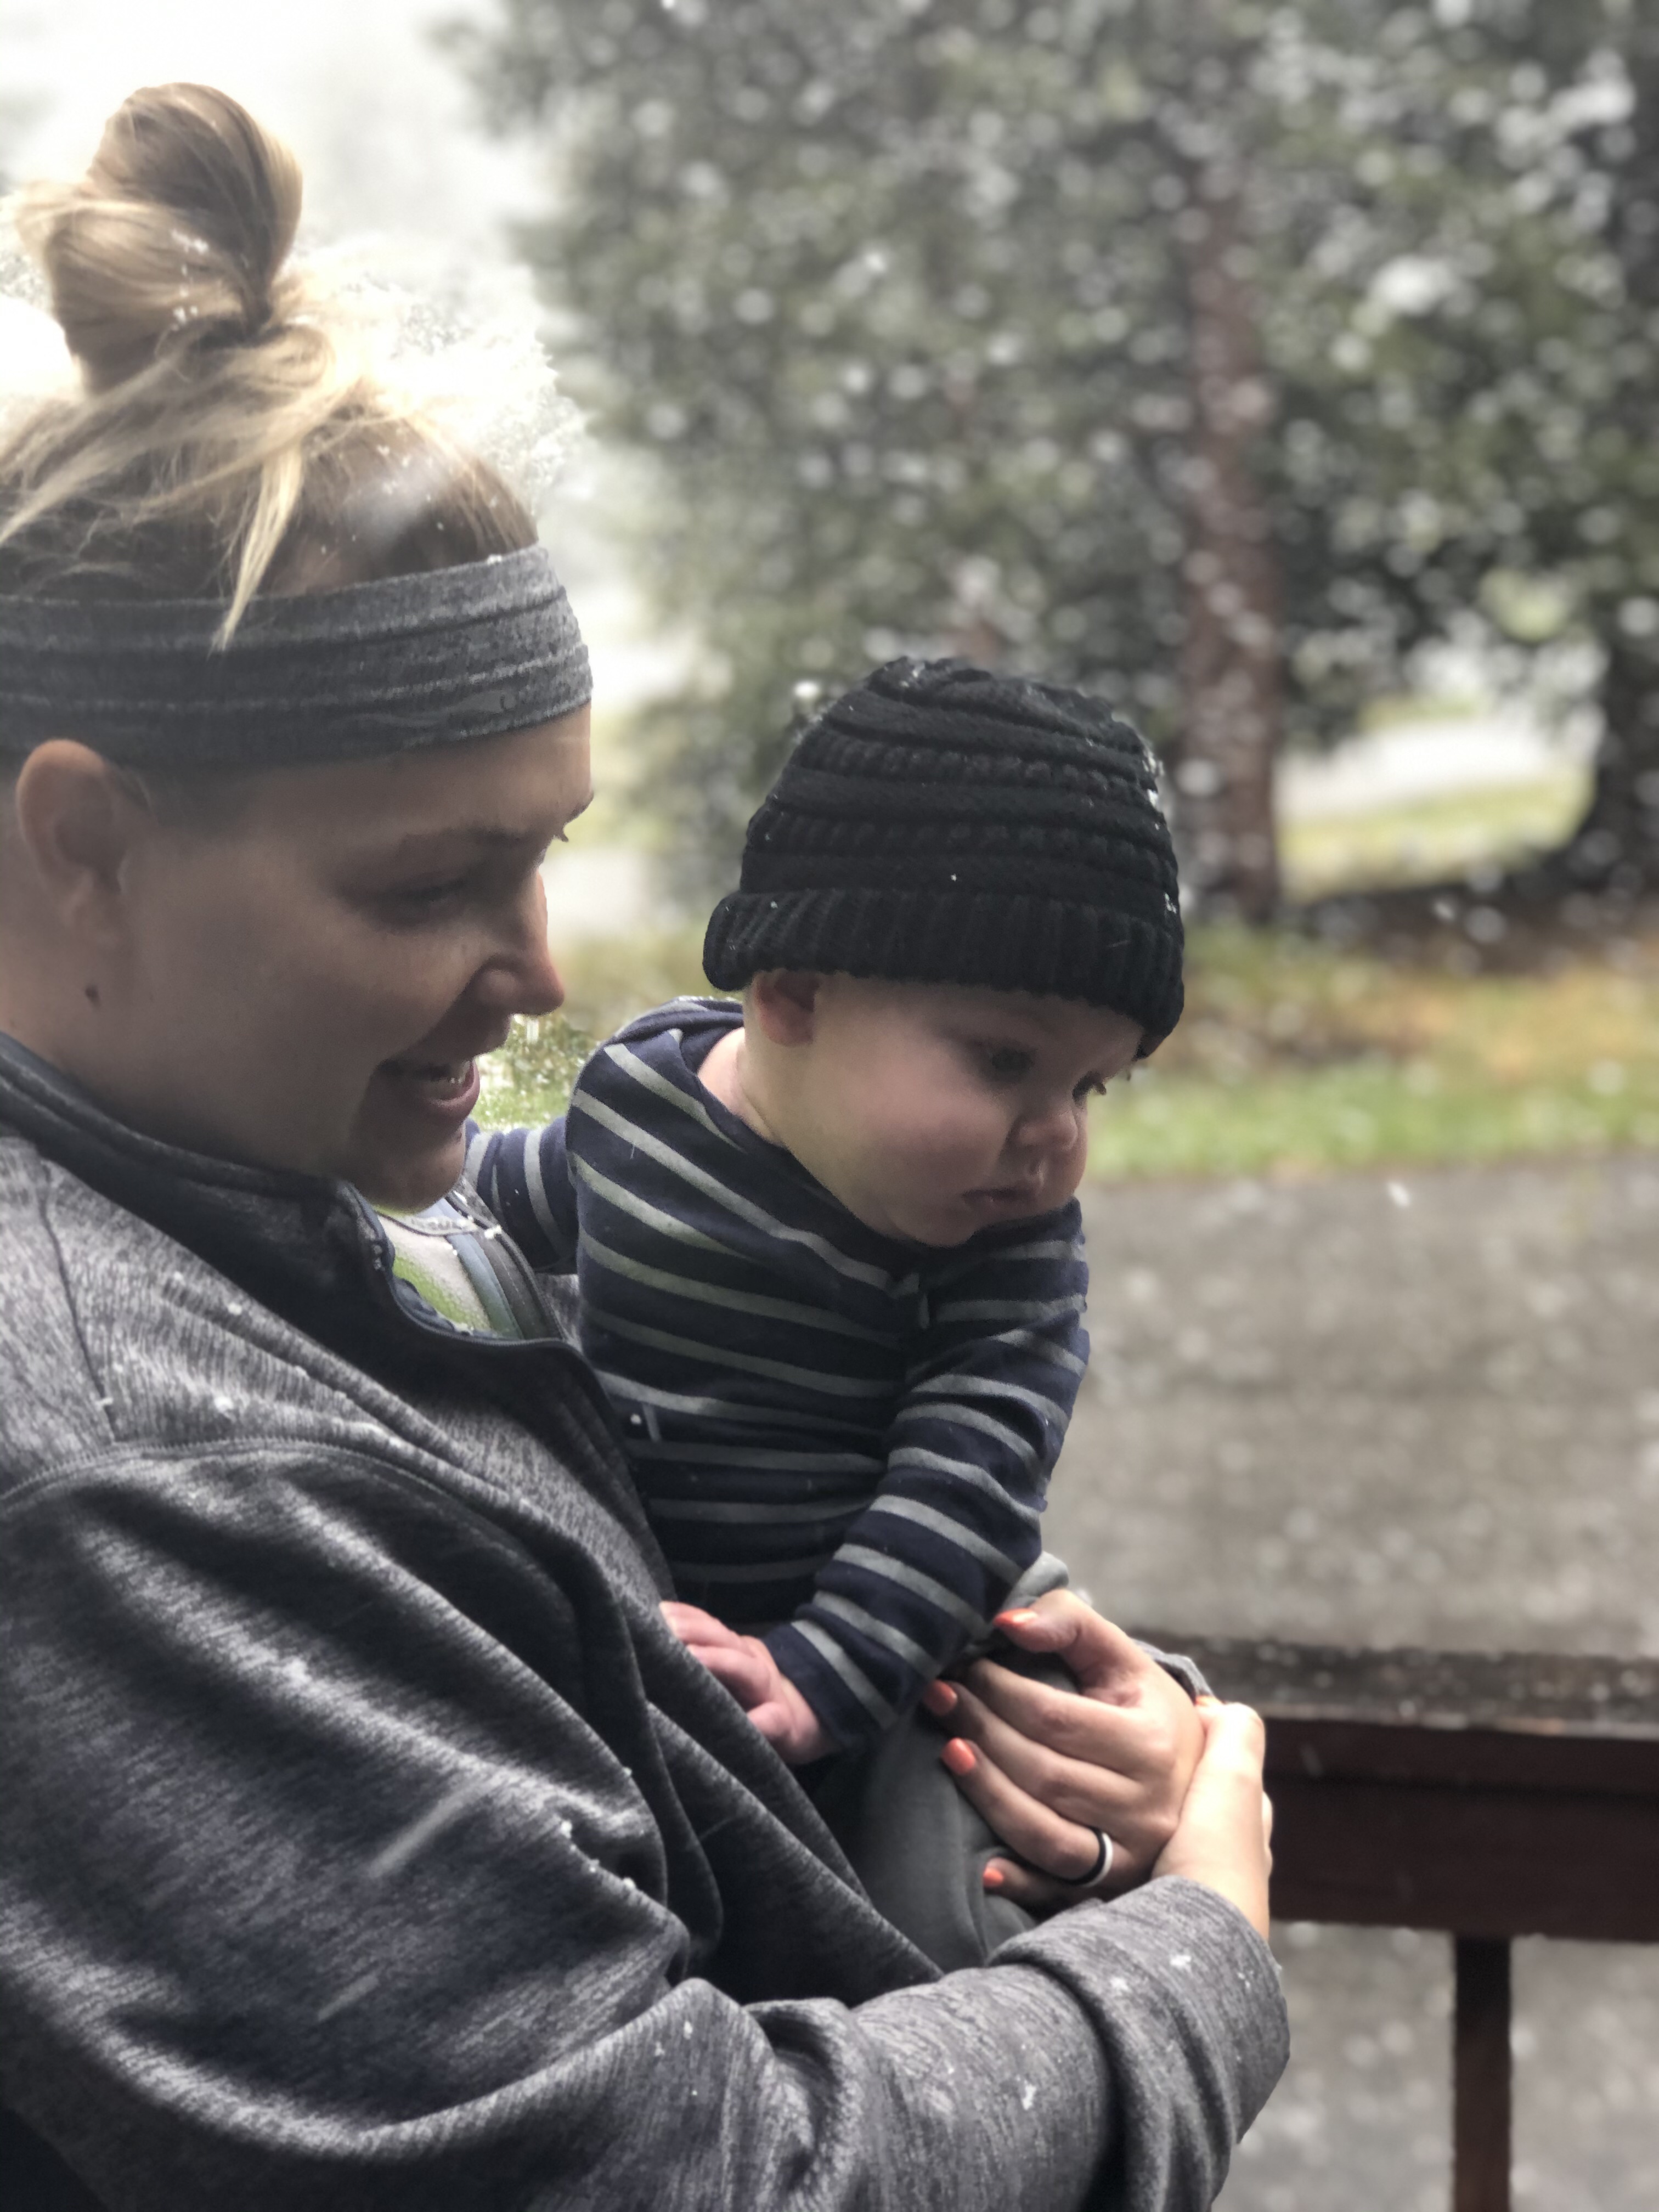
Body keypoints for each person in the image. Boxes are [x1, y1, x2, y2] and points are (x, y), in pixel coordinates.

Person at [0, 84, 1286, 2210]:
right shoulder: (130, 1475)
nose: (539, 978)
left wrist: (1081, 1718)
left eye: (547, 859)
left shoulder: (316, 1208)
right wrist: (1196, 1956)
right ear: (88, 847)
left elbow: (698, 1550)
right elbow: (680, 2173)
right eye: (429, 885)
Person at [470, 659, 1183, 1777]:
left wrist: (823, 1671)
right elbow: (510, 1196)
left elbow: (969, 1483)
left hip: (894, 1669)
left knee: (952, 1860)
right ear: (795, 995)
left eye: (1090, 1087)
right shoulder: (639, 1095)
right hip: (659, 1640)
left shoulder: (1000, 1255)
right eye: (1007, 1063)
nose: (1055, 1135)